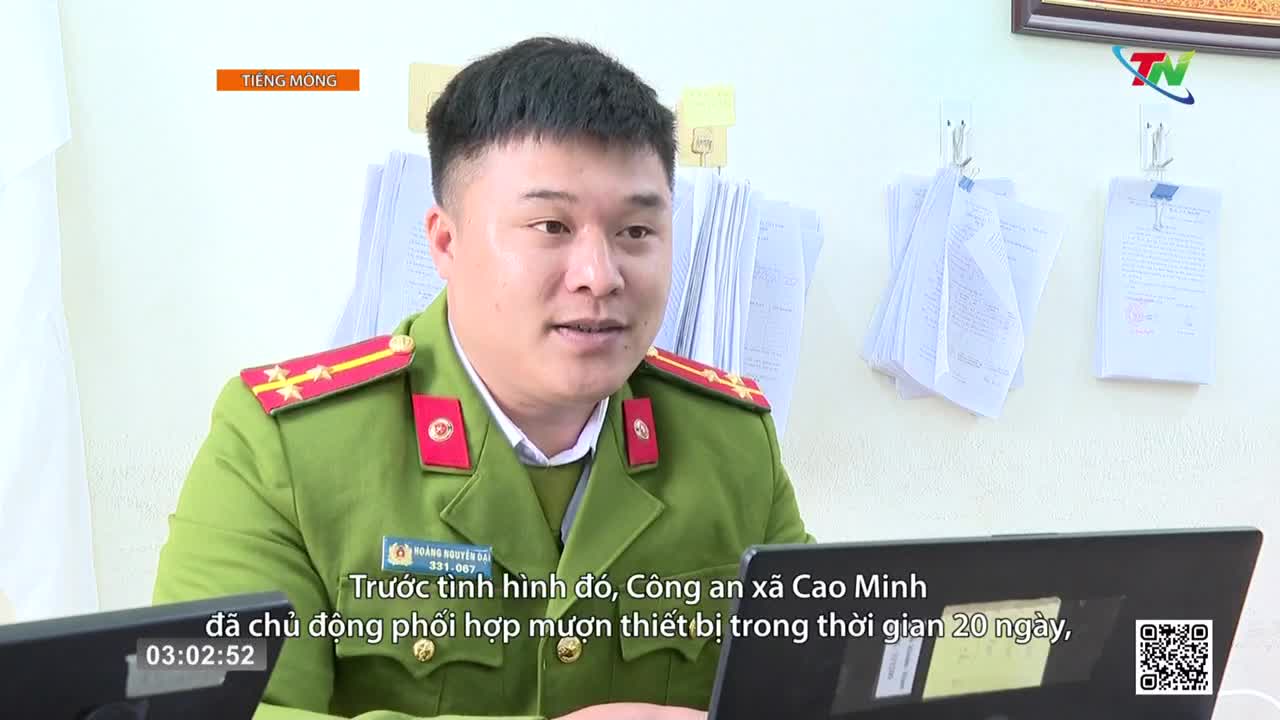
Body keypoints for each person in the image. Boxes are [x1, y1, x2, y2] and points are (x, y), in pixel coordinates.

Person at [153, 36, 813, 720]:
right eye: (551, 225)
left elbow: (815, 687)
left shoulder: (732, 443)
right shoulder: (281, 449)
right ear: (444, 241)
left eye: (637, 232)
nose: (600, 274)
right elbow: (199, 713)